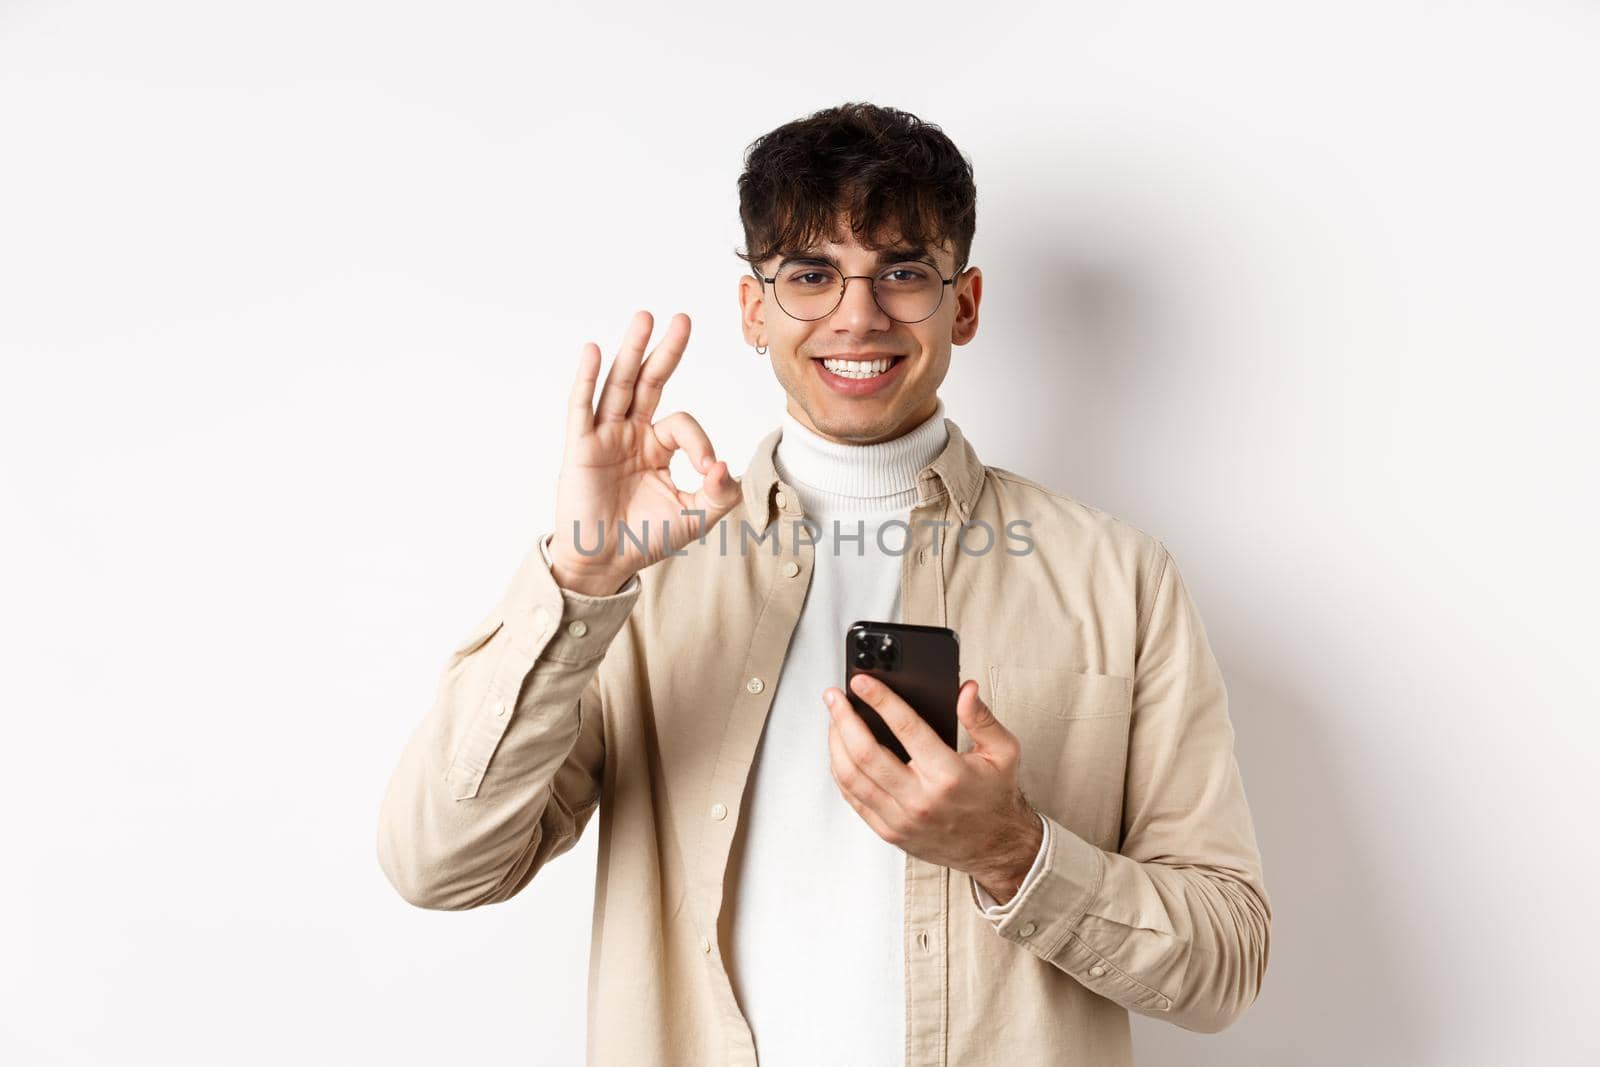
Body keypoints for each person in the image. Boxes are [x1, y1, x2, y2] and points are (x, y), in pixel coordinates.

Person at [376, 101, 1271, 1066]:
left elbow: (1227, 961)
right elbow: (439, 865)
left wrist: (1011, 849)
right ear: (754, 308)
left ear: (962, 305)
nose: (858, 314)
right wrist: (580, 576)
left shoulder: (1118, 577)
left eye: (902, 273)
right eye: (810, 274)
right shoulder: (642, 572)